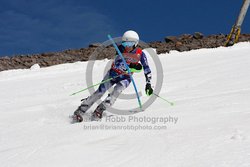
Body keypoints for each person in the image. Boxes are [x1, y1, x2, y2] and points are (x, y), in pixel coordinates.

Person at [73, 30, 153, 122]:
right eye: (125, 43)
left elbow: (146, 68)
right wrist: (131, 66)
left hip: (126, 78)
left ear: (135, 44)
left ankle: (100, 110)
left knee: (116, 92)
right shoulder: (120, 49)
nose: (126, 46)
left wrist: (148, 83)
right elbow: (117, 63)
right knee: (99, 92)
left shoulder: (140, 54)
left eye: (129, 44)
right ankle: (80, 110)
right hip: (113, 74)